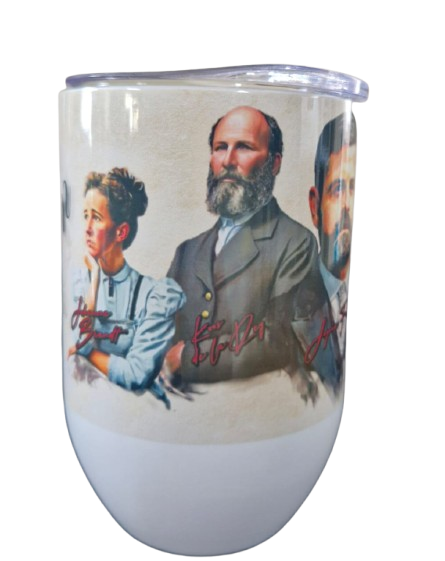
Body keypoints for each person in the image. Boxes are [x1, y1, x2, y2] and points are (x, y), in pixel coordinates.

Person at [163, 106, 318, 386]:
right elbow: (159, 333)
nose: (228, 160)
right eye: (220, 147)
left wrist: (187, 357)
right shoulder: (187, 252)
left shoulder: (296, 242)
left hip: (251, 406)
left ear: (274, 163)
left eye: (244, 147)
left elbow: (281, 340)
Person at [69, 167, 186, 408]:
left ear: (121, 231)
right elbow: (82, 340)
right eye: (85, 216)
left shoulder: (153, 295)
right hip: (93, 407)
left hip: (145, 414)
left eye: (96, 218)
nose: (87, 227)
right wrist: (94, 280)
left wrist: (88, 353)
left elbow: (137, 374)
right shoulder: (81, 282)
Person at [291, 113, 357, 399]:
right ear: (315, 207)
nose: (347, 205)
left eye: (353, 188)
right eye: (338, 188)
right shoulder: (289, 310)